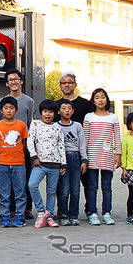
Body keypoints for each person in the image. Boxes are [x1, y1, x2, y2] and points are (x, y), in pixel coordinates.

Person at [56, 71, 93, 217]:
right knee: (62, 186)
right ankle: (62, 212)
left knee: (86, 182)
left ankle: (90, 209)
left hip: (81, 150)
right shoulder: (56, 105)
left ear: (75, 85)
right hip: (61, 153)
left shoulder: (85, 104)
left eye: (70, 82)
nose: (67, 85)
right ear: (60, 86)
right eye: (64, 82)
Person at [83, 88, 122, 226]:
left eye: (103, 97)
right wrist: (84, 157)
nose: (100, 100)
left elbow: (117, 137)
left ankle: (107, 213)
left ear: (107, 99)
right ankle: (93, 213)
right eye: (97, 97)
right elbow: (85, 138)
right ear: (93, 100)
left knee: (107, 186)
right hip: (92, 155)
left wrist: (118, 154)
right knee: (92, 187)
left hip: (107, 156)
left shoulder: (113, 117)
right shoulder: (89, 117)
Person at [27, 99, 66, 228]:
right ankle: (41, 212)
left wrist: (63, 164)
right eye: (45, 111)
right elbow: (30, 141)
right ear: (41, 112)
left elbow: (61, 145)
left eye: (50, 112)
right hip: (40, 164)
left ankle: (49, 216)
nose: (47, 114)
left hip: (55, 165)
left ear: (55, 113)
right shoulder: (35, 124)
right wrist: (34, 157)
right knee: (32, 185)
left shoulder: (57, 127)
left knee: (51, 192)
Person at [0, 96, 28, 228]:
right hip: (2, 163)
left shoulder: (21, 125)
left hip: (19, 163)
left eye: (12, 108)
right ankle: (5, 216)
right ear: (1, 110)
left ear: (16, 110)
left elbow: (23, 143)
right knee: (4, 192)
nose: (9, 111)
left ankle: (20, 217)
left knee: (20, 192)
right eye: (6, 108)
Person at [3, 69, 35, 219]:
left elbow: (29, 124)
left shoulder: (29, 101)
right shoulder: (3, 101)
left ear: (21, 82)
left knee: (25, 176)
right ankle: (10, 207)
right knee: (8, 178)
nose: (13, 82)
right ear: (7, 83)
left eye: (16, 79)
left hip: (24, 145)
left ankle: (27, 208)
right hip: (8, 146)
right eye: (10, 80)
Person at [56, 99, 88, 226]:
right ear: (59, 111)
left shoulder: (77, 126)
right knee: (64, 189)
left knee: (75, 189)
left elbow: (82, 144)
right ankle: (63, 214)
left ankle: (74, 215)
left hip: (75, 158)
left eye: (69, 108)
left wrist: (84, 160)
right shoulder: (56, 126)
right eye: (64, 108)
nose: (67, 110)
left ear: (73, 111)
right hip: (62, 159)